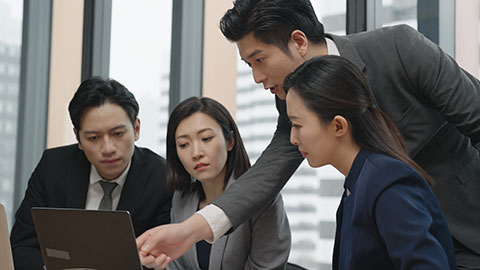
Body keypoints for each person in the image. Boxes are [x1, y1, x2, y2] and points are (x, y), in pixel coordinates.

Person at [137, 0, 480, 268]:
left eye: (259, 60)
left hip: (468, 226)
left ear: (298, 42)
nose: (257, 77)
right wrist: (189, 231)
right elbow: (266, 177)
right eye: (248, 66)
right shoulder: (290, 98)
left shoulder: (399, 49)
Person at [285, 55, 456, 269]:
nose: (293, 138)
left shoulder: (388, 181)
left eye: (297, 125)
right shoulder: (358, 182)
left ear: (338, 126)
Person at [10, 77, 172, 270]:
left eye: (118, 134)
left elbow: (165, 259)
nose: (108, 148)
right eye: (93, 138)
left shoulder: (162, 178)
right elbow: (21, 247)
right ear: (78, 138)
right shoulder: (53, 168)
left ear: (136, 129)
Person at [139, 97, 290, 270]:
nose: (196, 153)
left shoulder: (263, 199)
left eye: (206, 138)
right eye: (184, 144)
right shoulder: (182, 198)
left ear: (230, 141)